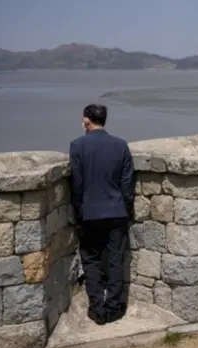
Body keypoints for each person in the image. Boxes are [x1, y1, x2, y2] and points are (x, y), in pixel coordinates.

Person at [69, 104, 135, 325]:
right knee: (116, 260)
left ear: (86, 121)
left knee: (91, 260)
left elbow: (77, 184)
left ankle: (97, 309)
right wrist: (125, 208)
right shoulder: (121, 146)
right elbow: (127, 184)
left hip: (89, 214)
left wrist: (79, 210)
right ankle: (115, 307)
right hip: (117, 212)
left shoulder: (77, 146)